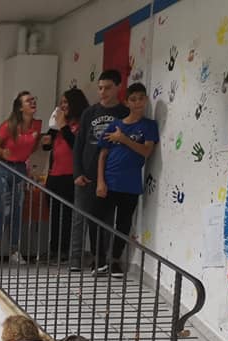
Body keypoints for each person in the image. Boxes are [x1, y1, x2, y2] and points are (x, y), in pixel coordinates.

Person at [94, 82, 159, 277]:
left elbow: (146, 151)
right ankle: (99, 260)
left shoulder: (149, 126)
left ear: (146, 100)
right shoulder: (116, 125)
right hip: (109, 179)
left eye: (141, 99)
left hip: (130, 183)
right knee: (101, 220)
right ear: (127, 102)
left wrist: (123, 139)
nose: (138, 103)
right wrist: (100, 181)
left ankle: (115, 260)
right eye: (133, 99)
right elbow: (102, 155)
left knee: (123, 223)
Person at [70, 69, 129, 272]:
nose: (103, 92)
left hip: (110, 175)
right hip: (86, 174)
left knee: (106, 219)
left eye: (108, 88)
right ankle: (75, 259)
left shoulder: (123, 113)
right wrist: (77, 172)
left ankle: (103, 259)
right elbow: (79, 144)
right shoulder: (89, 113)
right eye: (100, 88)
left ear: (118, 87)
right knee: (80, 217)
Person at [0, 91, 43, 264]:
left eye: (33, 99)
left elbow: (32, 148)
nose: (32, 102)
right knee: (4, 208)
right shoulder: (9, 126)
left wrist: (40, 143)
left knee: (17, 210)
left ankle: (14, 250)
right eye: (28, 101)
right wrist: (3, 151)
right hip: (3, 167)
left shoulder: (36, 125)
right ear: (20, 108)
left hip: (20, 168)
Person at [41, 88, 89, 263]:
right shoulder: (58, 124)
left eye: (66, 102)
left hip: (71, 176)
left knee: (68, 216)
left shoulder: (81, 124)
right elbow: (48, 146)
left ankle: (67, 250)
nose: (62, 106)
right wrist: (47, 139)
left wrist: (63, 127)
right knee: (54, 216)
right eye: (61, 102)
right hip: (54, 176)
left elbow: (77, 146)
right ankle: (54, 249)